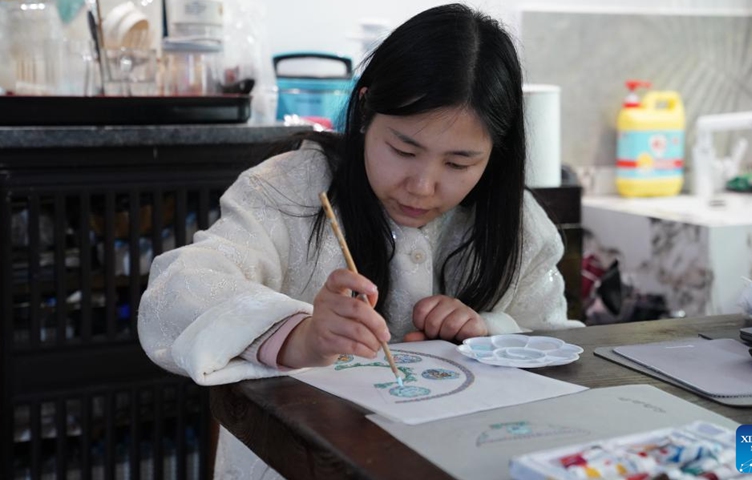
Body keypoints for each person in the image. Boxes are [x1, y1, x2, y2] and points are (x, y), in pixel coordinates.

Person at [138, 3, 584, 477]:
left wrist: (488, 333)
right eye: (403, 149)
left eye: (458, 164)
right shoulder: (291, 190)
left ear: (498, 151)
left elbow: (558, 347)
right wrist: (297, 336)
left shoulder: (516, 224)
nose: (422, 186)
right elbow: (177, 291)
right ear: (367, 108)